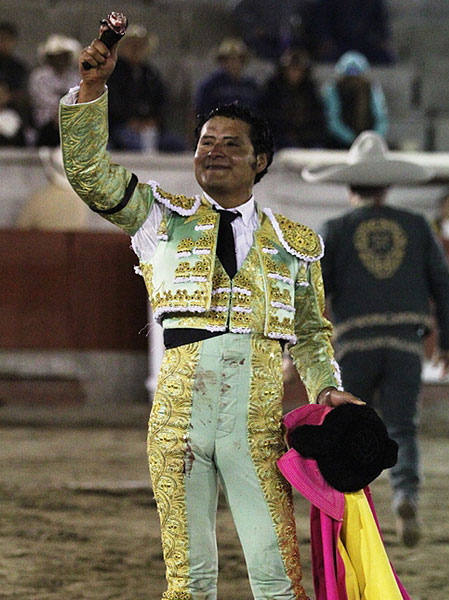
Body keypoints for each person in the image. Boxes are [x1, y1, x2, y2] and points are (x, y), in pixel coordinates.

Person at [59, 30, 363, 600]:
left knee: (278, 578)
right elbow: (89, 174)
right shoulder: (158, 218)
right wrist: (92, 91)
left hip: (257, 428)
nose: (213, 151)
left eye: (230, 143)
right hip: (176, 424)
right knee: (188, 581)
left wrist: (327, 390)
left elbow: (310, 335)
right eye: (205, 142)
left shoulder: (295, 244)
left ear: (260, 160)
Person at [303, 130, 449, 547]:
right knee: (402, 424)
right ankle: (405, 495)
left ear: (350, 186)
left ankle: (349, 509)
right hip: (405, 344)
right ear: (387, 186)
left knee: (349, 425)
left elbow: (314, 293)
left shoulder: (335, 229)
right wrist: (447, 343)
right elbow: (443, 285)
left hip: (354, 345)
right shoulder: (416, 226)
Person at [106, 25, 183, 153]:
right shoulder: (113, 73)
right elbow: (112, 102)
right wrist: (130, 121)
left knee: (176, 145)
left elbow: (162, 101)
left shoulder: (151, 73)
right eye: (132, 44)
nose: (136, 48)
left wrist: (154, 120)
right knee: (134, 145)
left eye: (140, 45)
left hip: (150, 127)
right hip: (121, 126)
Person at [258, 48, 326, 149]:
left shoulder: (310, 90)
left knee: (318, 149)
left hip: (307, 137)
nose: (294, 73)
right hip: (279, 137)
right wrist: (286, 131)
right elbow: (267, 115)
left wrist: (306, 133)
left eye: (298, 70)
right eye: (291, 69)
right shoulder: (273, 89)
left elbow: (317, 116)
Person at [322, 51, 388, 149]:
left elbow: (381, 117)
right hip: (338, 144)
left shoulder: (371, 88)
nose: (353, 79)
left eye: (357, 76)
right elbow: (333, 119)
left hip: (368, 143)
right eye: (348, 76)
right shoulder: (333, 88)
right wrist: (351, 138)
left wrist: (372, 138)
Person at [29, 34, 81, 146]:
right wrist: (59, 112)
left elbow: (78, 99)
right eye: (56, 56)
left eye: (63, 56)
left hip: (72, 121)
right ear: (50, 58)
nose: (60, 60)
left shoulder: (76, 77)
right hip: (45, 123)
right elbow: (43, 100)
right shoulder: (39, 76)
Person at [311, 0, 395, 64]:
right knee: (327, 58)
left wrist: (381, 41)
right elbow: (321, 24)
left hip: (365, 44)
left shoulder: (374, 2)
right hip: (338, 44)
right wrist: (325, 42)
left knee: (385, 58)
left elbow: (381, 27)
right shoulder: (328, 2)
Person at [194, 37, 259, 116]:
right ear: (223, 61)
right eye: (229, 59)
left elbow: (256, 110)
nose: (234, 63)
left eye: (238, 59)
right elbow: (201, 109)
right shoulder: (211, 85)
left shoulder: (250, 86)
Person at [0, 22, 29, 123]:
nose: (4, 44)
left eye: (7, 40)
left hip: (13, 110)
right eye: (1, 39)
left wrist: (8, 97)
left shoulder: (19, 67)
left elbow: (22, 93)